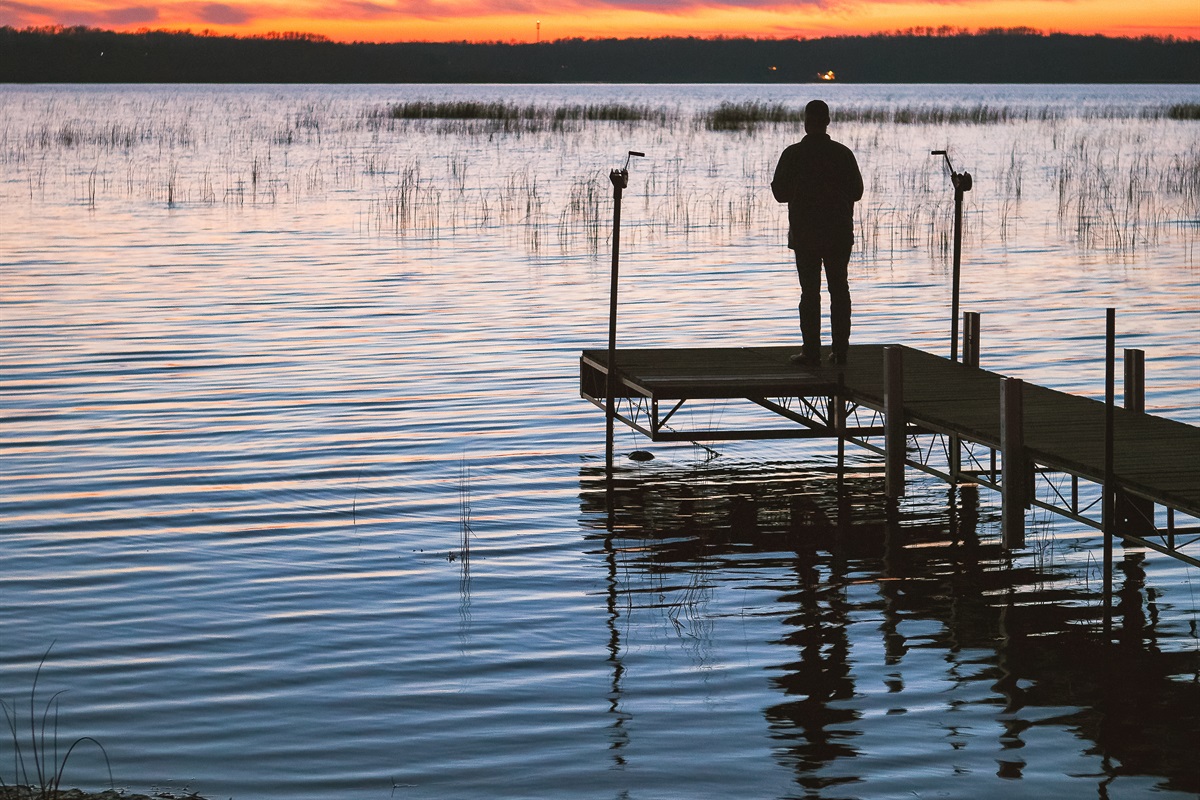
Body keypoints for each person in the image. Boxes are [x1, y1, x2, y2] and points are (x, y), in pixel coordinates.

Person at [771, 100, 864, 367]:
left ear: (806, 122)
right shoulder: (843, 154)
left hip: (805, 235)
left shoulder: (793, 154)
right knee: (840, 290)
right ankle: (840, 352)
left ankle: (811, 352)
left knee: (809, 293)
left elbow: (779, 194)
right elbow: (857, 192)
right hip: (838, 234)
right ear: (827, 122)